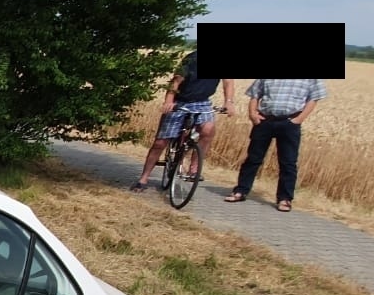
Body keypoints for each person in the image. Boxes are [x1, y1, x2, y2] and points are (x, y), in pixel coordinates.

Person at [130, 50, 234, 192]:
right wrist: (169, 102)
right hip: (181, 102)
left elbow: (228, 83)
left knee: (208, 130)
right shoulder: (191, 59)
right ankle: (143, 178)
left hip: (202, 102)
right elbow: (175, 82)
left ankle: (194, 167)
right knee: (160, 142)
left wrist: (229, 102)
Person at [225, 77, 328, 211]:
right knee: (253, 159)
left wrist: (299, 119)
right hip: (265, 120)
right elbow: (255, 94)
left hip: (289, 122)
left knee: (288, 163)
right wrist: (252, 113)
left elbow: (314, 98)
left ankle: (285, 199)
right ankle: (240, 191)